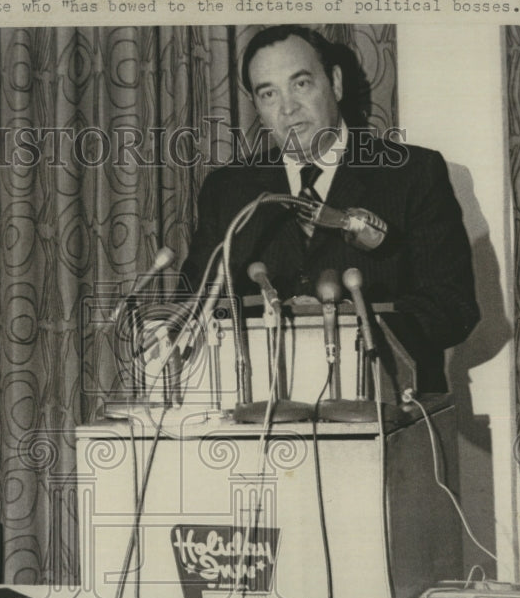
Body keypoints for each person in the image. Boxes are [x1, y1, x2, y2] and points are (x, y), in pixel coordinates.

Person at [180, 25, 480, 392]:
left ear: (335, 83)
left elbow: (452, 307)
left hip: (385, 404)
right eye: (268, 93)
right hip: (262, 410)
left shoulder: (411, 174)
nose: (287, 108)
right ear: (257, 107)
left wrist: (342, 323)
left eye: (301, 84)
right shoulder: (228, 191)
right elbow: (192, 305)